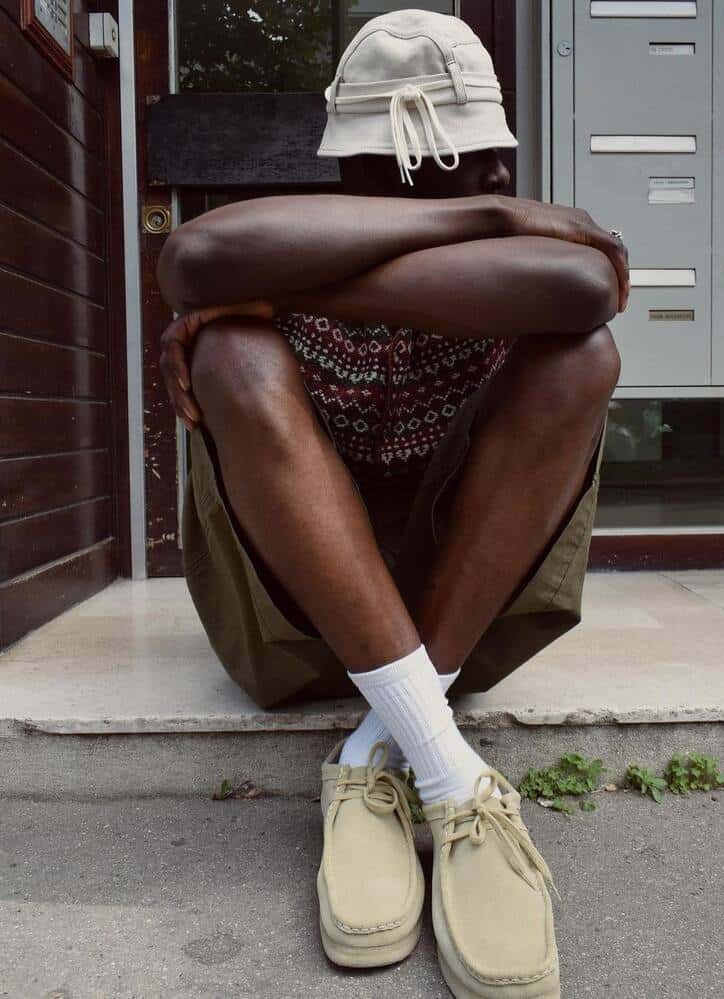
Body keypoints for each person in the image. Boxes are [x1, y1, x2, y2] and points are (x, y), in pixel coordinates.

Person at [157, 10, 627, 998]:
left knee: (580, 356)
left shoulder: (302, 260)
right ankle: (449, 774)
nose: (501, 181)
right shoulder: (485, 222)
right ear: (379, 173)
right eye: (468, 163)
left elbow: (579, 287)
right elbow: (196, 261)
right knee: (231, 354)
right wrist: (481, 221)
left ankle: (391, 748)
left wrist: (288, 284)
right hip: (291, 626)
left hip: (465, 621)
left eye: (497, 168)